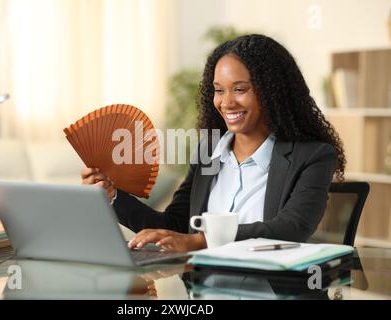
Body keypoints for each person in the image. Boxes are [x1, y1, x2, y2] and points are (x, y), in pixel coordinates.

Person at [81, 34, 346, 253]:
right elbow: (176, 224)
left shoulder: (313, 156)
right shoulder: (209, 151)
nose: (226, 102)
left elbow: (291, 227)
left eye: (240, 89)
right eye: (219, 90)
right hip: (205, 289)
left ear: (272, 91)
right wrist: (113, 197)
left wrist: (200, 241)